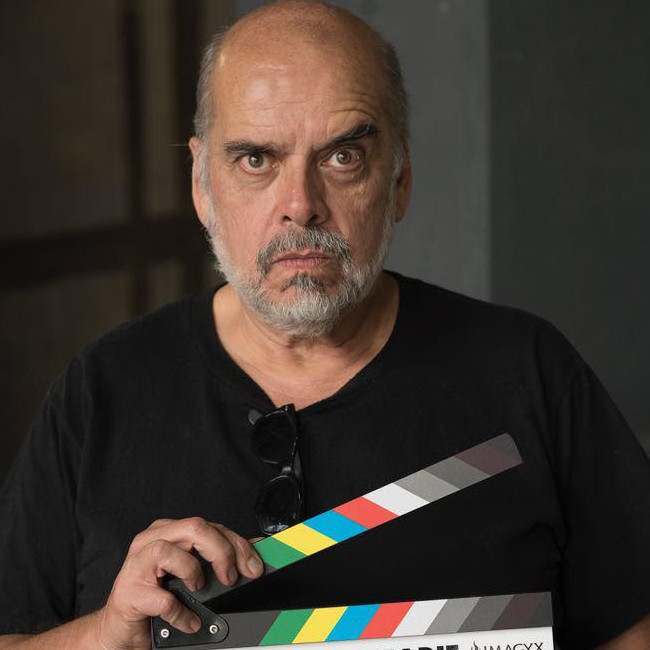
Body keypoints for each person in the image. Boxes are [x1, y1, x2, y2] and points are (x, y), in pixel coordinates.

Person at [0, 1, 649, 649]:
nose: (300, 205)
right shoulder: (102, 389)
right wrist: (107, 634)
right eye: (256, 160)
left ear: (400, 178)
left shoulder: (527, 371)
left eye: (343, 156)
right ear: (201, 183)